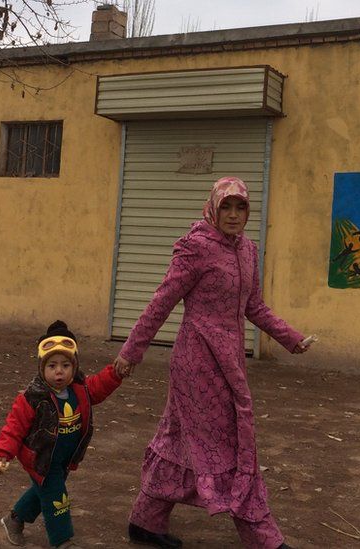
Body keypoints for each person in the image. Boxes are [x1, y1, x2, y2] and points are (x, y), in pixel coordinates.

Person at [114, 176, 311, 549]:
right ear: (214, 207)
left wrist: (290, 338)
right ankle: (262, 535)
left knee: (177, 438)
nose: (234, 215)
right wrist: (130, 351)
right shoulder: (196, 248)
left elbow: (254, 306)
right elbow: (162, 301)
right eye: (227, 207)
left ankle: (145, 520)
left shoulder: (248, 250)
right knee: (233, 442)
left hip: (231, 360)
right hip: (196, 361)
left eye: (241, 207)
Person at [0, 320, 122, 548]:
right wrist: (4, 452)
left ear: (74, 367)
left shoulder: (80, 389)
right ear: (42, 369)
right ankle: (62, 540)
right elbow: (14, 426)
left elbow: (100, 386)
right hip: (41, 458)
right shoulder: (33, 397)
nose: (59, 371)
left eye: (65, 365)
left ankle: (14, 520)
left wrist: (116, 373)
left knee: (42, 490)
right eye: (52, 366)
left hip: (64, 457)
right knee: (57, 498)